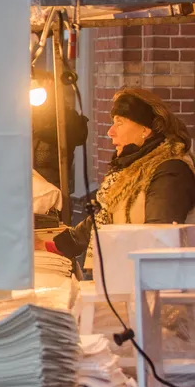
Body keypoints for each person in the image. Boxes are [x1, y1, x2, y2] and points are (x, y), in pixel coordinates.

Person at [45, 87, 195, 261]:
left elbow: (159, 238)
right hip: (123, 275)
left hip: (144, 281)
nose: (110, 132)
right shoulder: (129, 170)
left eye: (119, 123)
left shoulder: (170, 171)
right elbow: (102, 216)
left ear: (145, 130)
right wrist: (57, 245)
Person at [31, 69, 89, 189]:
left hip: (53, 193)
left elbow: (78, 135)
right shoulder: (24, 116)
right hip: (27, 193)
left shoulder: (65, 117)